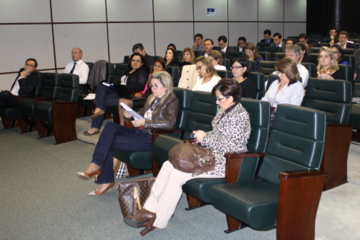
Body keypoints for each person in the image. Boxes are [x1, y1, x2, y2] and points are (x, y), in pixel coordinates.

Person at [123, 79, 251, 235]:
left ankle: (159, 219)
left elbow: (232, 147)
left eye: (219, 98)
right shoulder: (225, 110)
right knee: (169, 165)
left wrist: (205, 139)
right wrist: (202, 135)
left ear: (230, 98)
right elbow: (218, 134)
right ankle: (148, 210)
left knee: (178, 173)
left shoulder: (240, 116)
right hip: (212, 155)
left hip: (228, 161)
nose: (217, 102)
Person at [77, 71, 179, 196]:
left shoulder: (171, 100)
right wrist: (131, 114)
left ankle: (102, 175)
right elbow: (143, 112)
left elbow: (170, 123)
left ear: (166, 86)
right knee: (110, 127)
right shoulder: (152, 98)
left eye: (155, 85)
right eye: (151, 85)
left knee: (107, 142)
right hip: (138, 132)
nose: (152, 88)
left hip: (151, 138)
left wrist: (145, 122)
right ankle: (97, 167)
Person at [84, 52, 148, 135]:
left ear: (142, 63)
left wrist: (125, 87)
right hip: (117, 92)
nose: (135, 62)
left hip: (127, 95)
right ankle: (98, 110)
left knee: (100, 101)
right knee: (101, 86)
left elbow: (140, 86)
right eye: (133, 60)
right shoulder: (127, 72)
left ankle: (95, 126)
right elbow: (118, 82)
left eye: (138, 61)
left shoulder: (142, 73)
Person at [118, 58, 166, 125]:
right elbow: (145, 89)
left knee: (124, 101)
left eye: (159, 66)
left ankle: (126, 125)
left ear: (163, 69)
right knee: (122, 101)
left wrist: (153, 79)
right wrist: (140, 93)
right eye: (155, 65)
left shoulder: (164, 78)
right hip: (145, 97)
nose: (156, 68)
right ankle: (123, 124)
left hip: (152, 98)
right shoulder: (150, 75)